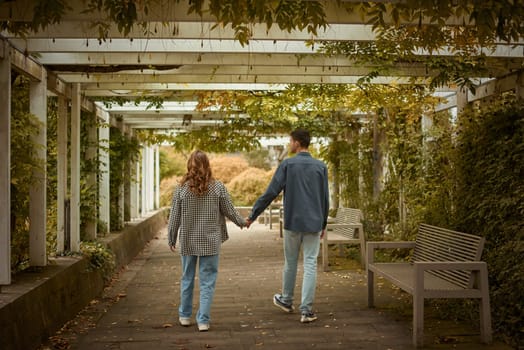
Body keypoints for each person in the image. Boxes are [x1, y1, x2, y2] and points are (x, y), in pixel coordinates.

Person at [246, 128, 329, 323]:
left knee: (291, 262)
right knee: (310, 264)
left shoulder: (288, 165)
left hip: (292, 222)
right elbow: (326, 198)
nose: (289, 144)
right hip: (314, 222)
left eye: (290, 141)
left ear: (297, 142)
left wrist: (253, 215)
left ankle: (286, 299)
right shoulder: (320, 166)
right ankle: (306, 311)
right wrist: (323, 223)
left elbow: (271, 192)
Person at [167, 150, 247, 332]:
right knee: (207, 281)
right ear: (207, 165)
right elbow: (230, 211)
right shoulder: (217, 187)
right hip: (210, 241)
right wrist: (243, 222)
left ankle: (185, 316)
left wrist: (171, 237)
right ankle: (203, 320)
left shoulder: (180, 188)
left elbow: (174, 217)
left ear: (190, 165)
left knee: (187, 278)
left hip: (187, 241)